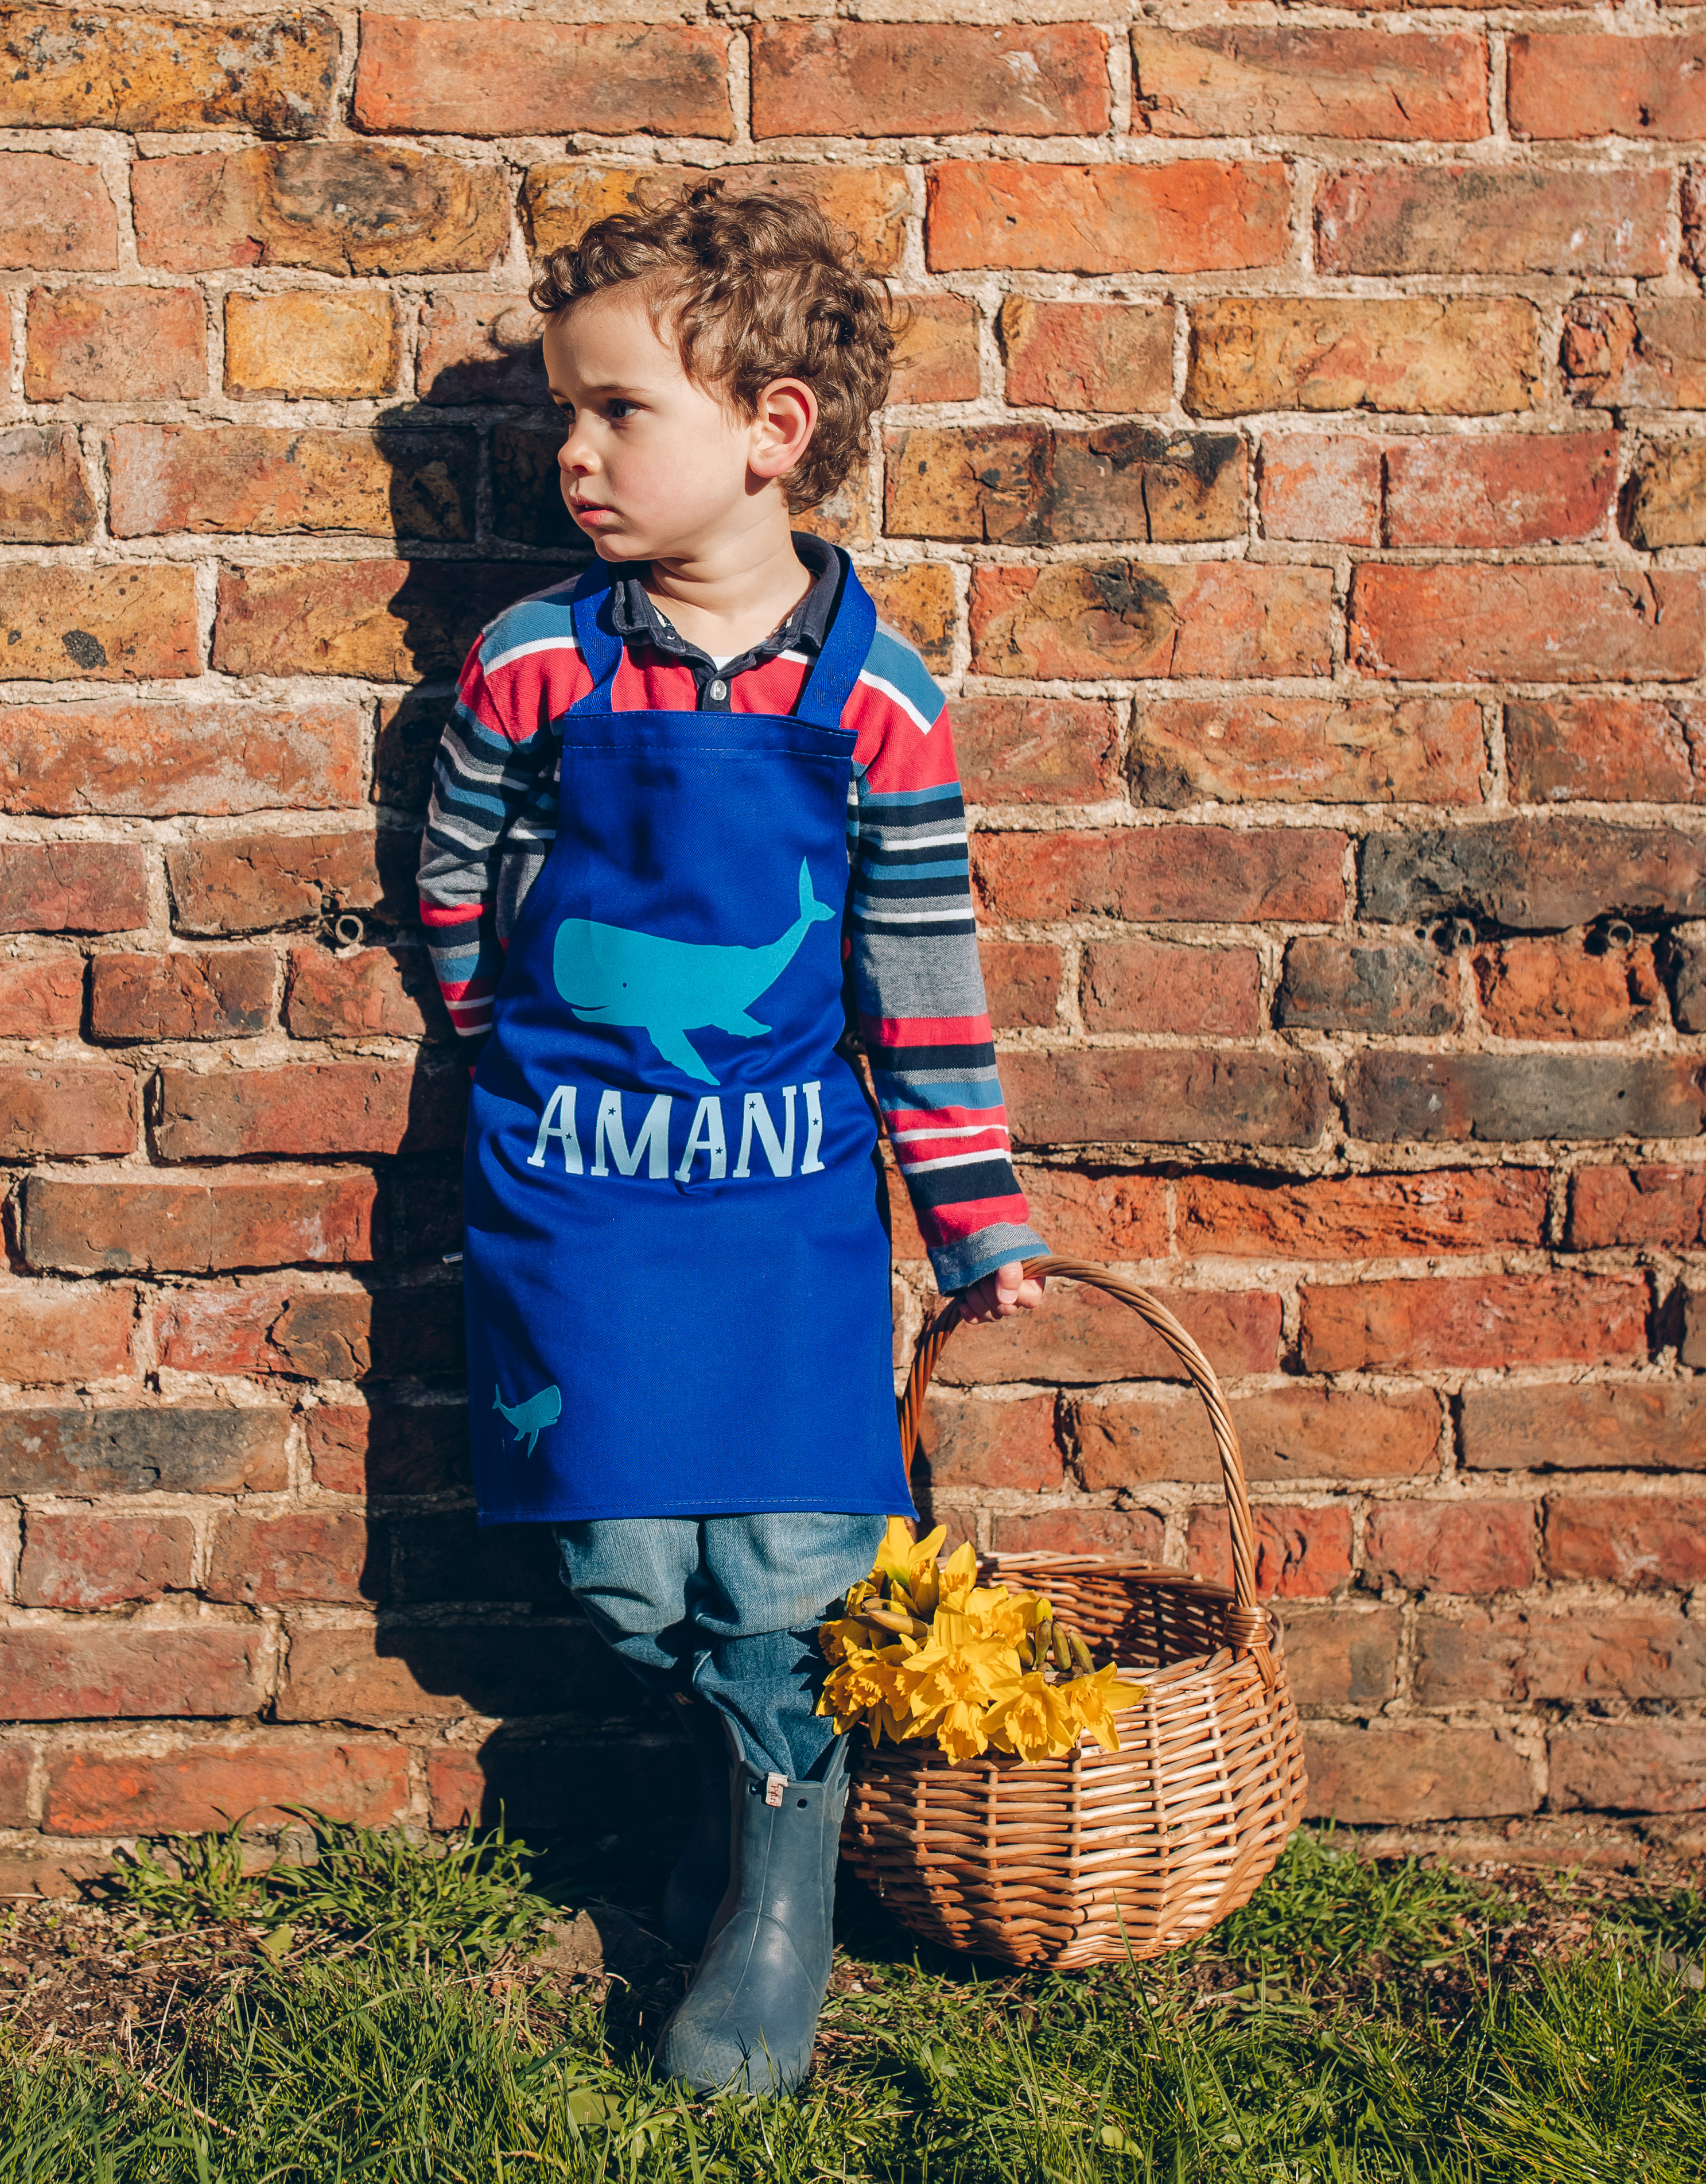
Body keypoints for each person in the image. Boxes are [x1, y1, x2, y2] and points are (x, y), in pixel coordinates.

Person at [417, 182, 1046, 2096]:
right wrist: (521, 1058)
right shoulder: (531, 665)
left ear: (771, 432)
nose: (573, 450)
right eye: (563, 410)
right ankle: (737, 1776)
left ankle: (773, 1873)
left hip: (776, 1206)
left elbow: (915, 976)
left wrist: (970, 1214)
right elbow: (460, 893)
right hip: (581, 1196)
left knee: (784, 1558)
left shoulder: (879, 700)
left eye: (619, 412)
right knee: (617, 1562)